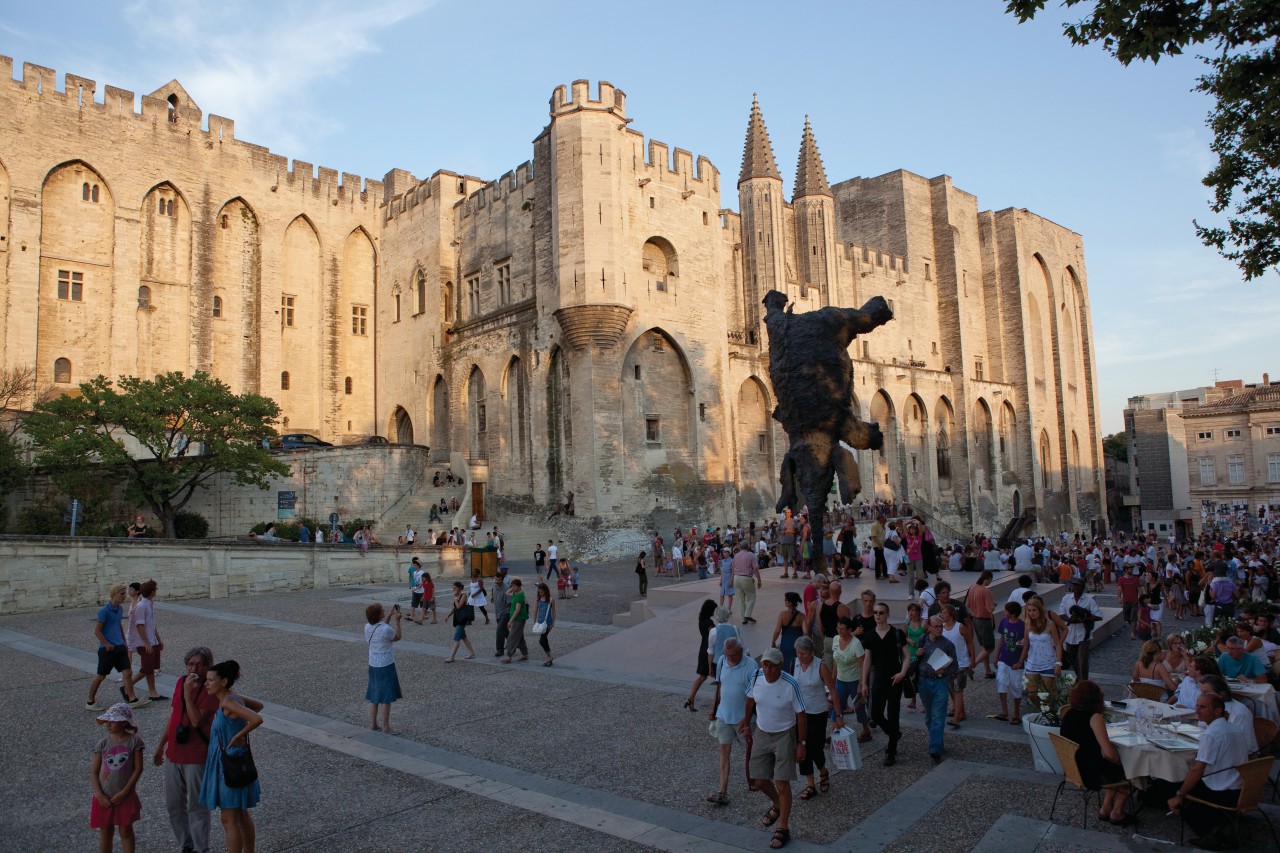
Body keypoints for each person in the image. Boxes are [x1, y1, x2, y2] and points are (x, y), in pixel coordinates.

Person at [153, 646, 219, 853]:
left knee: (197, 806)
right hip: (174, 753)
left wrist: (188, 695)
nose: (194, 668)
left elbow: (197, 721)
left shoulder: (210, 689)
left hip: (196, 755)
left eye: (199, 665)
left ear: (208, 666)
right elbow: (174, 717)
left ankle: (201, 848)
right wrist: (160, 745)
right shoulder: (181, 682)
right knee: (173, 805)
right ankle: (186, 845)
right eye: (190, 664)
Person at [739, 647, 806, 850]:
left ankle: (783, 827)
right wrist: (745, 721)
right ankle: (778, 804)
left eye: (771, 666)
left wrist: (801, 743)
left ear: (781, 666)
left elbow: (802, 714)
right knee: (758, 780)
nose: (767, 669)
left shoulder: (790, 684)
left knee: (782, 782)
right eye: (765, 664)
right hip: (762, 731)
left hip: (785, 734)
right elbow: (751, 699)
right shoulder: (756, 676)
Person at [1167, 693, 1250, 849]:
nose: (1198, 710)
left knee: (1175, 785)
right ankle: (1221, 826)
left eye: (1203, 707)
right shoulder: (1234, 728)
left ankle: (1212, 834)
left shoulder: (1211, 734)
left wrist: (1179, 795)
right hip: (1240, 788)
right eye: (1197, 706)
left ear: (1218, 710)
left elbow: (1197, 770)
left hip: (1222, 792)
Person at [200, 661, 263, 853]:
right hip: (233, 762)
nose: (206, 684)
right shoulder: (230, 699)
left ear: (224, 681)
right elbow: (257, 706)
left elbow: (257, 718)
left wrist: (238, 734)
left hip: (228, 765)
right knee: (241, 814)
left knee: (229, 819)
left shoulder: (228, 702)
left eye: (211, 680)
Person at [1059, 680, 1132, 824]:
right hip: (1092, 774)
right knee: (1134, 770)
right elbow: (1108, 754)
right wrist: (1120, 761)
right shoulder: (1094, 718)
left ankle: (1106, 808)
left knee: (1117, 768)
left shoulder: (1068, 714)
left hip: (1075, 769)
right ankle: (1117, 812)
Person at [706, 637, 758, 807]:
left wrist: (748, 718)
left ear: (741, 652)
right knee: (724, 752)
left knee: (752, 752)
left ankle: (757, 780)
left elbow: (755, 697)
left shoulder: (751, 666)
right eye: (727, 655)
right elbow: (720, 686)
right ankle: (722, 791)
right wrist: (714, 708)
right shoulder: (722, 661)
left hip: (744, 719)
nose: (729, 659)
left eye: (733, 655)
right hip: (724, 715)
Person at [91, 702, 145, 853]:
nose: (108, 724)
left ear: (123, 723)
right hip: (104, 795)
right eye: (107, 721)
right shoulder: (102, 744)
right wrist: (99, 795)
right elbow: (94, 772)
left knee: (126, 831)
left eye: (112, 721)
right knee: (105, 832)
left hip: (125, 795)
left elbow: (138, 769)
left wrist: (124, 792)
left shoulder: (134, 741)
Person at [862, 601, 910, 766]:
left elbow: (907, 656)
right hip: (878, 680)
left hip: (895, 680)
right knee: (875, 714)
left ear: (887, 615)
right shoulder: (869, 635)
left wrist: (902, 673)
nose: (878, 615)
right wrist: (864, 682)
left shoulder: (897, 633)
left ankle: (891, 751)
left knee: (893, 714)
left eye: (881, 612)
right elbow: (867, 660)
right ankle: (894, 734)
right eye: (875, 612)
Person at [792, 637, 841, 798]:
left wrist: (838, 715)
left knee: (815, 747)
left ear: (812, 652)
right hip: (800, 713)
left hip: (818, 713)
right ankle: (810, 784)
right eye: (798, 653)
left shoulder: (820, 666)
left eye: (803, 653)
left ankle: (823, 770)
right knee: (802, 746)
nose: (800, 656)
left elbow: (833, 690)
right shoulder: (795, 664)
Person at [88, 585, 145, 711]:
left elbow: (118, 624)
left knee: (127, 672)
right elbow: (97, 631)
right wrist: (107, 644)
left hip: (119, 646)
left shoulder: (119, 609)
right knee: (101, 676)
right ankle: (90, 702)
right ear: (114, 594)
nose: (124, 596)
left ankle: (132, 699)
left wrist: (124, 641)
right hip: (107, 649)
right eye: (122, 593)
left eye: (125, 593)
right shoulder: (104, 611)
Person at [916, 616, 958, 763]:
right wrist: (917, 654)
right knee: (929, 716)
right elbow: (914, 659)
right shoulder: (922, 639)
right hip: (924, 681)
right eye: (936, 626)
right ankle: (937, 740)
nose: (939, 629)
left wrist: (944, 672)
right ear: (929, 627)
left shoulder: (948, 645)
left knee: (938, 716)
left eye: (941, 626)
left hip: (940, 682)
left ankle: (935, 748)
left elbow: (954, 666)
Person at [831, 616, 871, 744]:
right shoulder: (836, 639)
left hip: (854, 680)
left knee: (859, 707)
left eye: (843, 629)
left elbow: (862, 664)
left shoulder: (856, 644)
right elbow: (835, 660)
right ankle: (833, 733)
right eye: (838, 628)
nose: (840, 632)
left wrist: (861, 683)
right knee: (837, 706)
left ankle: (866, 730)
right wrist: (833, 677)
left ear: (850, 630)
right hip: (841, 679)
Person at [364, 602, 403, 733]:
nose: (384, 611)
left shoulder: (368, 627)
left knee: (374, 695)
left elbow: (382, 627)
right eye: (382, 610)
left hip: (373, 663)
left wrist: (391, 615)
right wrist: (397, 621)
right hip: (385, 663)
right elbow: (397, 637)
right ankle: (386, 727)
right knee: (386, 697)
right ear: (378, 614)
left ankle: (373, 724)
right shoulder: (385, 629)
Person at [1019, 596, 1063, 710]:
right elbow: (1027, 642)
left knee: (1046, 694)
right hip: (1032, 662)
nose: (1031, 613)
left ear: (1039, 610)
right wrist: (1021, 658)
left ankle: (1048, 712)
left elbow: (1058, 645)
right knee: (1031, 693)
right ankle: (1041, 711)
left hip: (1048, 661)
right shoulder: (1027, 623)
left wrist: (1058, 663)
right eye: (1029, 610)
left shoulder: (1050, 624)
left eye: (1034, 610)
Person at [1053, 579, 1101, 680]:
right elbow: (1061, 612)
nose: (1076, 588)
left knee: (1083, 659)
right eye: (1074, 585)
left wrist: (1083, 619)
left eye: (1078, 586)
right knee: (1072, 658)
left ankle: (1084, 680)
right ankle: (1079, 677)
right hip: (1070, 634)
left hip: (1084, 634)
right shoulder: (1066, 599)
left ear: (1083, 587)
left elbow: (1098, 616)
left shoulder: (1089, 601)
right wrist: (1069, 620)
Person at [127, 579, 165, 702]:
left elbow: (151, 625)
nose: (156, 591)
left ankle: (153, 693)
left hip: (152, 641)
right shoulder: (142, 606)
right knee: (146, 669)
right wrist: (147, 642)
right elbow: (139, 625)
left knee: (151, 668)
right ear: (152, 591)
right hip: (145, 643)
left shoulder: (149, 603)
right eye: (155, 589)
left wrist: (158, 640)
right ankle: (126, 686)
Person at [992, 601, 1026, 724]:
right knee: (1001, 681)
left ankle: (1016, 712)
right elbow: (1002, 638)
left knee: (1016, 686)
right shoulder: (1004, 621)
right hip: (1004, 658)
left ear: (1012, 614)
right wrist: (997, 656)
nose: (1003, 612)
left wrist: (1021, 658)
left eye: (1005, 610)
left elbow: (1026, 642)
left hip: (1016, 661)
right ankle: (1004, 710)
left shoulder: (1022, 626)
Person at [939, 604, 973, 727]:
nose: (941, 614)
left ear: (951, 615)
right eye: (941, 612)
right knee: (952, 690)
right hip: (947, 664)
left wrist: (971, 660)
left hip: (961, 664)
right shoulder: (941, 628)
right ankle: (961, 712)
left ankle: (956, 718)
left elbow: (969, 641)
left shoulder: (960, 627)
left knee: (958, 690)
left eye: (944, 612)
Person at [965, 570, 997, 679]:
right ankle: (972, 666)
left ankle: (988, 671)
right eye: (990, 580)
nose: (990, 582)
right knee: (989, 647)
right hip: (984, 620)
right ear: (987, 579)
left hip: (975, 619)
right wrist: (993, 605)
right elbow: (990, 609)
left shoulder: (972, 587)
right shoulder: (985, 591)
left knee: (984, 646)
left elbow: (968, 604)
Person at [770, 591, 806, 674]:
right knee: (797, 664)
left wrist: (773, 641)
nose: (785, 601)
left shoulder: (782, 614)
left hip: (786, 643)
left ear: (790, 602)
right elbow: (806, 632)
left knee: (785, 663)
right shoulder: (802, 616)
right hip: (798, 643)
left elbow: (777, 631)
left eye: (786, 600)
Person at [730, 542, 763, 624]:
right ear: (748, 547)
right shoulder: (751, 555)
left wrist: (731, 579)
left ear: (740, 547)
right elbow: (755, 569)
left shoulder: (736, 556)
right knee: (751, 597)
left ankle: (743, 619)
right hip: (747, 578)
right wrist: (759, 580)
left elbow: (733, 569)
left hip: (736, 578)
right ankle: (747, 614)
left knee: (740, 599)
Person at [444, 582, 476, 662]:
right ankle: (472, 653)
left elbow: (458, 606)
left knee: (456, 638)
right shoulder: (457, 596)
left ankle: (451, 657)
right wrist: (448, 615)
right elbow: (454, 608)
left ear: (459, 588)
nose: (453, 590)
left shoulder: (463, 595)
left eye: (454, 588)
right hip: (457, 618)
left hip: (462, 619)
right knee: (463, 637)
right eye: (453, 588)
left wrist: (455, 598)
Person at [501, 578, 530, 663]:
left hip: (519, 619)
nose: (513, 588)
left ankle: (508, 656)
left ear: (519, 587)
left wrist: (510, 621)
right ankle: (525, 654)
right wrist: (513, 588)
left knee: (512, 637)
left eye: (514, 586)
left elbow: (517, 610)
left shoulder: (519, 596)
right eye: (512, 586)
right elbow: (506, 593)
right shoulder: (515, 593)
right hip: (517, 619)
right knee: (520, 637)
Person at [707, 607, 742, 674]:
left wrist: (710, 667)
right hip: (734, 661)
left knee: (720, 683)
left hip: (718, 663)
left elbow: (711, 651)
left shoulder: (713, 631)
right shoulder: (735, 628)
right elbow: (741, 646)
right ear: (727, 615)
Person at [533, 582, 556, 666]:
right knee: (544, 639)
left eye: (542, 592)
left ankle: (549, 656)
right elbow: (535, 611)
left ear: (546, 591)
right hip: (540, 622)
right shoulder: (538, 600)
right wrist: (534, 622)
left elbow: (553, 612)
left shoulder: (550, 600)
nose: (540, 593)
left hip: (548, 623)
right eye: (539, 592)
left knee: (542, 640)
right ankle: (549, 657)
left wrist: (553, 623)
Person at [491, 567, 512, 658]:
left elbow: (510, 604)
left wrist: (511, 618)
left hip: (505, 612)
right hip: (497, 612)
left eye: (499, 580)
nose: (497, 581)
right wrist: (492, 597)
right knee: (504, 631)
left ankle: (500, 650)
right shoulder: (494, 586)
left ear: (502, 580)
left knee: (499, 631)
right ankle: (516, 643)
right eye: (496, 579)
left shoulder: (506, 588)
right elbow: (494, 593)